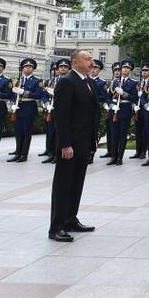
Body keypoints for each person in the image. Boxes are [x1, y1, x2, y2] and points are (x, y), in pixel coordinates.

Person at [48, 49, 98, 242]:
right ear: (75, 62)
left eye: (91, 59)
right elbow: (61, 117)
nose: (92, 62)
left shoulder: (88, 82)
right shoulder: (67, 82)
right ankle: (56, 226)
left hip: (84, 142)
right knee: (63, 185)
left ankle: (70, 219)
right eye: (87, 59)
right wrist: (65, 144)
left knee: (77, 183)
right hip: (70, 145)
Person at [8, 58, 43, 163]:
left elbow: (39, 95)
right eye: (26, 66)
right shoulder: (17, 80)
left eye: (30, 67)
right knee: (18, 132)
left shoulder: (37, 80)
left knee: (26, 132)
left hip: (29, 107)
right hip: (18, 108)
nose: (28, 68)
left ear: (33, 69)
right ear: (22, 68)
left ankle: (24, 154)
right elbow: (12, 94)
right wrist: (13, 103)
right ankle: (17, 153)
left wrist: (24, 92)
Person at [108, 59, 138, 165]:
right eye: (123, 68)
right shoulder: (114, 81)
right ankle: (113, 157)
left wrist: (124, 94)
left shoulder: (134, 83)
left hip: (125, 109)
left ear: (130, 70)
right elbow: (109, 97)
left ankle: (120, 157)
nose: (125, 70)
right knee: (114, 134)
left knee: (122, 134)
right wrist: (111, 105)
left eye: (127, 68)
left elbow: (134, 98)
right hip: (114, 109)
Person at [130, 64, 149, 159]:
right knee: (138, 132)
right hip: (137, 110)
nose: (144, 72)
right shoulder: (138, 83)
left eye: (146, 70)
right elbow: (134, 97)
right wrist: (134, 105)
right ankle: (138, 151)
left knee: (145, 131)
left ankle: (143, 151)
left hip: (146, 109)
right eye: (143, 70)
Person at [98, 62, 119, 159]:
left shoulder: (121, 82)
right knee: (109, 130)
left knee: (116, 132)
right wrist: (107, 103)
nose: (117, 72)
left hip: (118, 109)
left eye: (119, 70)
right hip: (110, 108)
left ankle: (116, 152)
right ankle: (109, 150)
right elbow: (107, 96)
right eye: (115, 70)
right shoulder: (110, 82)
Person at [89, 59, 108, 163]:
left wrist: (93, 96)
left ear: (99, 70)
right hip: (83, 110)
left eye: (95, 68)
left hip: (94, 109)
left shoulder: (102, 82)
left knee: (93, 131)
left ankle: (91, 153)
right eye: (92, 67)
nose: (93, 70)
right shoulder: (85, 79)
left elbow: (104, 96)